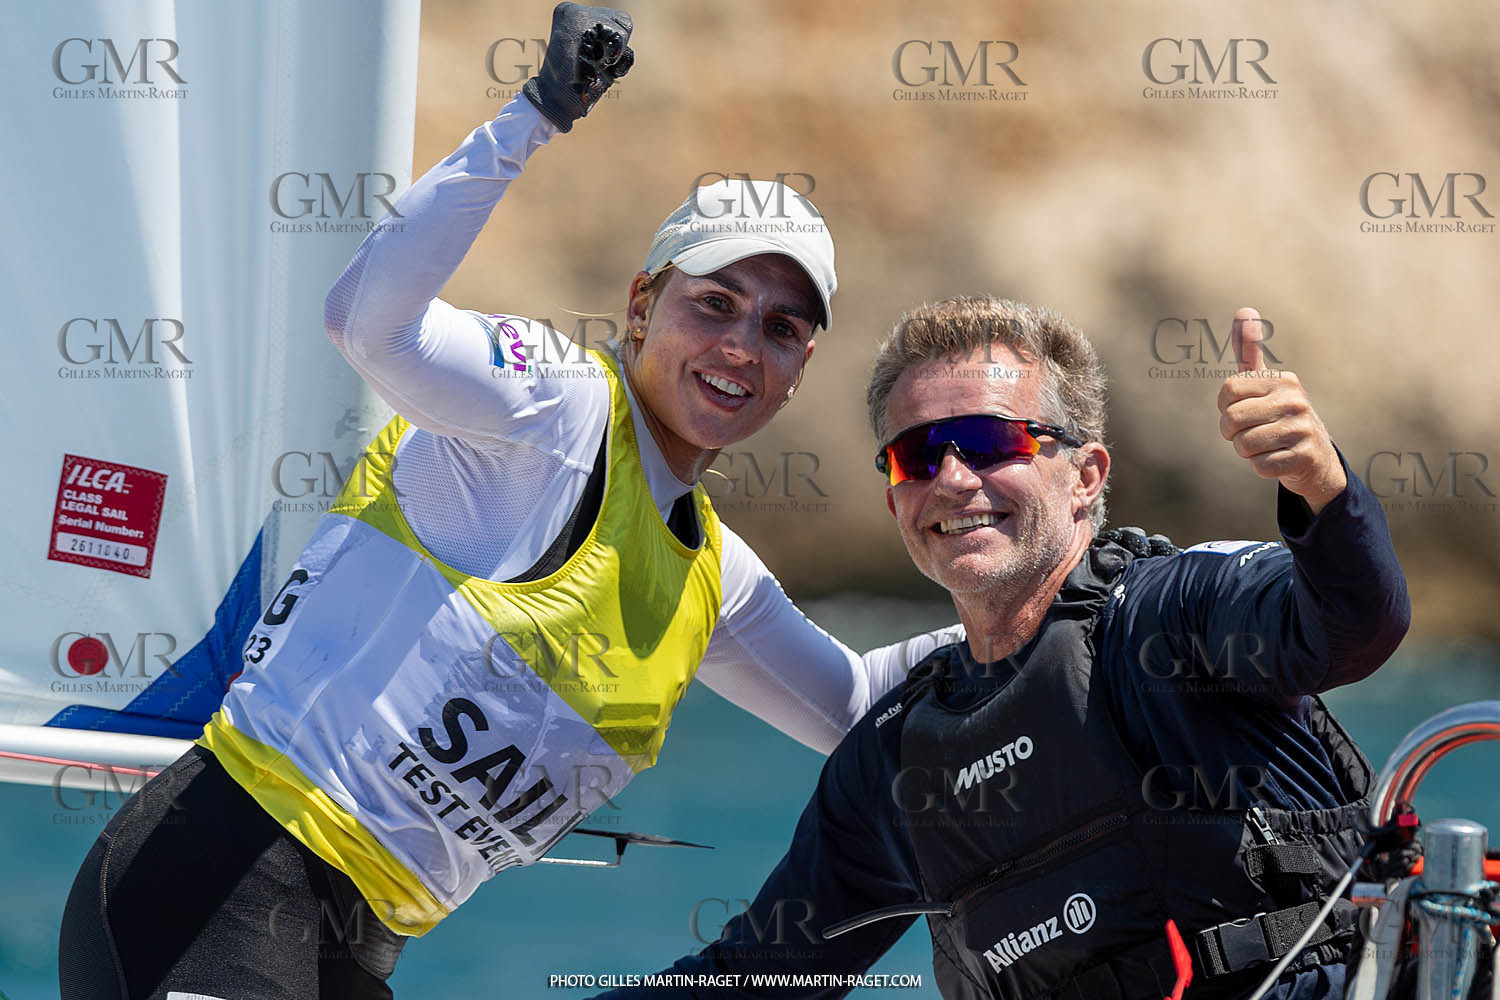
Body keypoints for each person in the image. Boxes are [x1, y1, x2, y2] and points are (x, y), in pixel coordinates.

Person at [56, 6, 958, 998]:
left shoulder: (713, 578)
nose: (743, 344)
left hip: (349, 949)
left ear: (800, 368)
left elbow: (857, 710)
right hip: (207, 885)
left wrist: (1085, 594)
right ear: (640, 306)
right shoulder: (556, 410)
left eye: (780, 328)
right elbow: (367, 322)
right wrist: (536, 113)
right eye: (713, 302)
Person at [597, 297, 1411, 1000]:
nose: (952, 479)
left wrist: (1322, 489)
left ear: (1086, 475)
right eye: (918, 455)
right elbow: (758, 975)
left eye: (990, 443)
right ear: (894, 502)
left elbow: (1354, 621)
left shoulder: (1175, 615)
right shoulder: (893, 761)